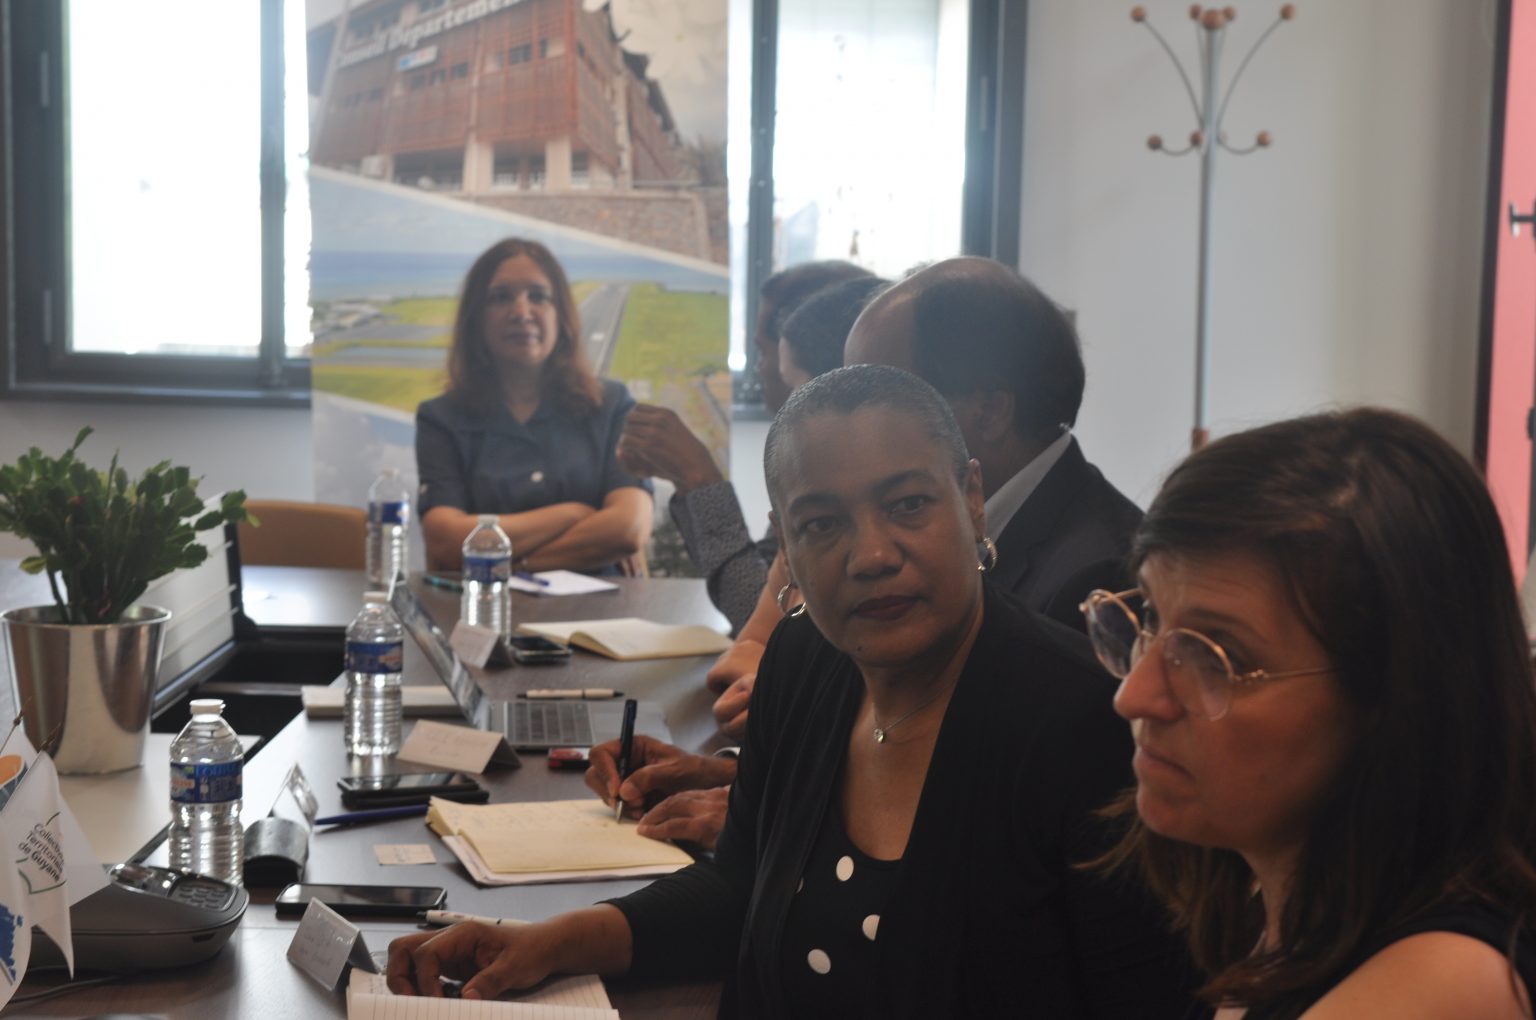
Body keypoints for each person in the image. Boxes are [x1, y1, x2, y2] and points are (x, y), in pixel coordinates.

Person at [387, 365, 1195, 1017]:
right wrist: (550, 941)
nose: (871, 554)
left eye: (908, 505)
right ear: (787, 549)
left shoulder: (1087, 725)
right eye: (821, 524)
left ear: (973, 499)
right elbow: (739, 883)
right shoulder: (807, 660)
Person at [1085, 408, 1536, 1019]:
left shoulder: (1444, 983)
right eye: (1152, 618)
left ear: (1392, 702)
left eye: (1217, 656)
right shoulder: (1287, 908)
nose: (1134, 696)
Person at [844, 256, 1141, 631]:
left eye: (878, 400)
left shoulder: (1100, 579)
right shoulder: (958, 525)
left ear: (988, 412)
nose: (854, 430)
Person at [618, 260, 873, 631]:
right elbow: (761, 605)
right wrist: (691, 482)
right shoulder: (807, 459)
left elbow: (767, 622)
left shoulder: (844, 471)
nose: (762, 369)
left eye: (764, 352)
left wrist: (700, 480)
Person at [415, 239, 652, 575]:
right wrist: (573, 513)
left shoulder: (612, 406)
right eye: (501, 297)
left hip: (600, 608)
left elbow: (628, 528)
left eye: (538, 296)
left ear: (561, 315)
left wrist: (511, 567)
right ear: (476, 318)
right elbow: (446, 541)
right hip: (489, 606)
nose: (521, 313)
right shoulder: (441, 419)